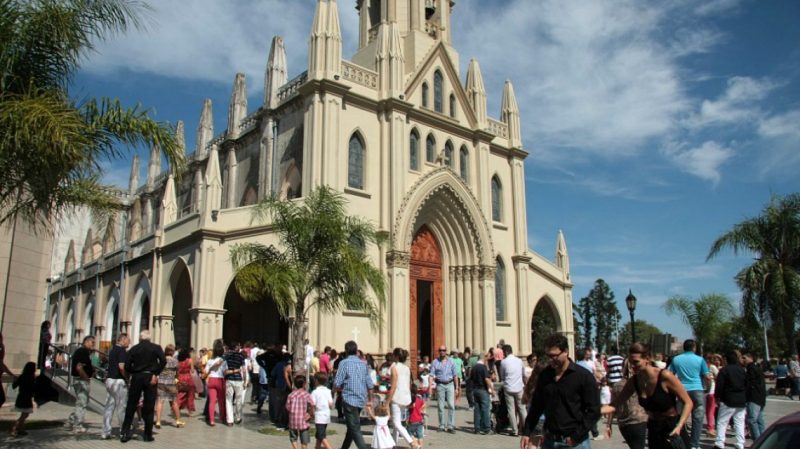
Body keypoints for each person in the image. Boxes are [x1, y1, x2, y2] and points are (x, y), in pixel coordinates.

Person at [521, 334, 600, 449]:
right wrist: (527, 432)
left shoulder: (583, 376)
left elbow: (594, 410)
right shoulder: (545, 376)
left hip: (576, 442)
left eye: (554, 356)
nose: (550, 360)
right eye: (548, 356)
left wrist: (577, 435)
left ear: (566, 352)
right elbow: (537, 406)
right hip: (550, 440)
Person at [608, 343, 693, 449]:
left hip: (671, 427)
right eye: (630, 362)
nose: (632, 366)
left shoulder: (664, 376)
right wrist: (593, 411)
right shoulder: (634, 381)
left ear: (647, 359)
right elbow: (615, 403)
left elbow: (688, 402)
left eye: (636, 362)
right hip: (653, 428)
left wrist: (679, 426)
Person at [120, 330, 166, 443]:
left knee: (131, 404)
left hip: (137, 377)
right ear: (149, 338)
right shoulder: (156, 347)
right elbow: (163, 361)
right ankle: (147, 434)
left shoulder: (134, 349)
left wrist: (133, 372)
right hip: (150, 377)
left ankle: (125, 433)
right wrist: (155, 373)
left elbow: (127, 365)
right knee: (149, 406)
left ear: (140, 338)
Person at [333, 340, 374, 449]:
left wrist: (335, 389)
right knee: (351, 427)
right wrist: (370, 399)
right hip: (360, 399)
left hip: (349, 399)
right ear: (356, 350)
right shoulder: (363, 363)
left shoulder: (344, 363)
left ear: (346, 351)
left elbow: (337, 382)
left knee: (354, 428)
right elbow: (369, 383)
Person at [668, 339, 709, 449]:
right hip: (697, 390)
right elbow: (707, 376)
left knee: (681, 418)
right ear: (694, 347)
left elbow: (670, 374)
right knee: (698, 420)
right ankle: (694, 445)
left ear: (684, 347)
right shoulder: (700, 360)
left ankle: (681, 441)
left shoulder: (676, 359)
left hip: (682, 391)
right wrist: (708, 387)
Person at [607, 359, 648, 449]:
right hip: (639, 420)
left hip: (623, 423)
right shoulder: (641, 383)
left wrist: (609, 424)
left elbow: (612, 405)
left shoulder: (617, 385)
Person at [714, 350, 747, 449]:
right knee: (739, 422)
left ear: (726, 360)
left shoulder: (724, 370)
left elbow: (719, 385)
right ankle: (740, 443)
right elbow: (746, 384)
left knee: (722, 422)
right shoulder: (742, 370)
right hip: (741, 400)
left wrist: (717, 397)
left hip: (728, 399)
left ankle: (720, 443)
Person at [386, 348, 418, 448]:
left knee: (396, 423)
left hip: (397, 397)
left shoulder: (394, 367)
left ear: (395, 356)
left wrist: (387, 401)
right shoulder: (407, 368)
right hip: (405, 397)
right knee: (397, 423)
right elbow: (409, 384)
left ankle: (412, 442)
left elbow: (393, 385)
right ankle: (394, 444)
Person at [101, 333, 129, 440]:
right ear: (123, 340)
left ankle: (105, 431)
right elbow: (121, 366)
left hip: (110, 380)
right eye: (128, 340)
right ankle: (123, 430)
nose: (129, 342)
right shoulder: (121, 350)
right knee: (121, 407)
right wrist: (126, 377)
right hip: (118, 381)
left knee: (109, 406)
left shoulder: (113, 350)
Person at [67, 335, 95, 434]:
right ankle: (77, 425)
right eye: (92, 342)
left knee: (81, 402)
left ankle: (71, 421)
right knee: (82, 403)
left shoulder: (82, 352)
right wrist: (86, 378)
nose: (93, 345)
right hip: (81, 381)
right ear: (86, 342)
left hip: (79, 380)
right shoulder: (82, 352)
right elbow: (79, 367)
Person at [430, 344, 459, 433]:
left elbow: (455, 375)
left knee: (451, 405)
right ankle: (441, 425)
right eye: (440, 350)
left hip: (450, 384)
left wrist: (457, 387)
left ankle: (450, 425)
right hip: (440, 385)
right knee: (440, 406)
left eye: (444, 350)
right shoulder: (435, 362)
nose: (442, 352)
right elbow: (431, 375)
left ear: (446, 351)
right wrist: (430, 387)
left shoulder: (452, 361)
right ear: (438, 351)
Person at [500, 344, 527, 436]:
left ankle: (514, 430)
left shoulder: (503, 362)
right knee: (522, 408)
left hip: (508, 388)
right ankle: (527, 428)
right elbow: (524, 373)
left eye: (503, 352)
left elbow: (502, 376)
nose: (503, 354)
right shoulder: (519, 361)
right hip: (519, 387)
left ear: (506, 352)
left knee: (511, 409)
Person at [154, 344, 183, 429]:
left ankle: (158, 421)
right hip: (171, 383)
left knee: (160, 401)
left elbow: (157, 370)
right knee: (173, 402)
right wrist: (176, 378)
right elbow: (177, 373)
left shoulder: (161, 360)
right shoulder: (175, 361)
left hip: (161, 382)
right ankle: (178, 420)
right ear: (173, 352)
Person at [742, 352, 766, 441]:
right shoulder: (756, 368)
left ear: (750, 358)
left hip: (754, 398)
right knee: (759, 420)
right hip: (760, 398)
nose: (742, 360)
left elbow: (750, 384)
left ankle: (757, 441)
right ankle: (763, 440)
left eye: (744, 358)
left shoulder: (751, 369)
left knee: (752, 420)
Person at [469, 350, 495, 434]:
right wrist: (492, 389)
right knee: (485, 409)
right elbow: (486, 379)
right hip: (482, 390)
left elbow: (471, 378)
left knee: (477, 410)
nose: (487, 359)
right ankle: (487, 428)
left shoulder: (474, 367)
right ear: (483, 358)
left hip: (475, 390)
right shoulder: (483, 367)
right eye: (486, 358)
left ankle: (477, 428)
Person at [287, 374, 315, 449]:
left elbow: (287, 407)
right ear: (304, 384)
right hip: (303, 420)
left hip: (293, 420)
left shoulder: (291, 395)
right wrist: (310, 414)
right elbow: (312, 405)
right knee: (304, 439)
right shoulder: (307, 394)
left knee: (293, 437)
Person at [204, 339, 227, 427]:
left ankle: (212, 420)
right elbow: (225, 372)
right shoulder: (223, 360)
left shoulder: (210, 360)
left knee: (212, 401)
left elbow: (206, 371)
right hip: (220, 380)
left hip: (211, 380)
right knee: (221, 401)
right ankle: (222, 417)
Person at [223, 341, 247, 426]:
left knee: (228, 399)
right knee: (238, 399)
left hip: (229, 379)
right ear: (236, 347)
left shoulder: (226, 355)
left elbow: (222, 364)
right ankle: (238, 417)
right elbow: (244, 369)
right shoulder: (241, 356)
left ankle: (230, 420)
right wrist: (245, 380)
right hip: (238, 379)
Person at [10, 361, 36, 437]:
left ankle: (20, 429)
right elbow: (33, 389)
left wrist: (15, 380)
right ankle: (14, 428)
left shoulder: (22, 376)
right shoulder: (31, 377)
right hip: (26, 398)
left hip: (21, 397)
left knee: (25, 414)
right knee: (24, 415)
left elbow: (14, 386)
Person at [310, 372, 334, 449]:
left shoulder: (314, 392)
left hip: (319, 416)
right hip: (326, 415)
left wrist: (312, 413)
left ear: (316, 381)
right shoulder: (328, 391)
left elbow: (312, 404)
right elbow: (330, 404)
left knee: (321, 435)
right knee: (319, 435)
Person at [175, 347, 197, 415]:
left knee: (180, 393)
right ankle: (190, 411)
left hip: (180, 378)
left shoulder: (178, 362)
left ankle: (176, 407)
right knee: (190, 394)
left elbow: (176, 372)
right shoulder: (190, 360)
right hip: (188, 378)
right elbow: (192, 371)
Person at [705, 354, 720, 437]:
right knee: (711, 410)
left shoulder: (702, 366)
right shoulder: (713, 367)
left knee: (707, 411)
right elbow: (719, 377)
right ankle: (710, 428)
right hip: (712, 390)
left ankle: (709, 426)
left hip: (704, 391)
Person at [0, 331, 16, 410]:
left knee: (1, 398)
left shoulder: (1, 346)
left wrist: (12, 375)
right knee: (1, 398)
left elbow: (2, 364)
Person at [408, 383, 426, 448]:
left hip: (412, 420)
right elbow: (424, 404)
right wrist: (421, 410)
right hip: (420, 420)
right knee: (420, 435)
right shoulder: (419, 399)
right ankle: (421, 446)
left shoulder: (410, 400)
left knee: (409, 433)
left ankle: (416, 445)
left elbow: (410, 407)